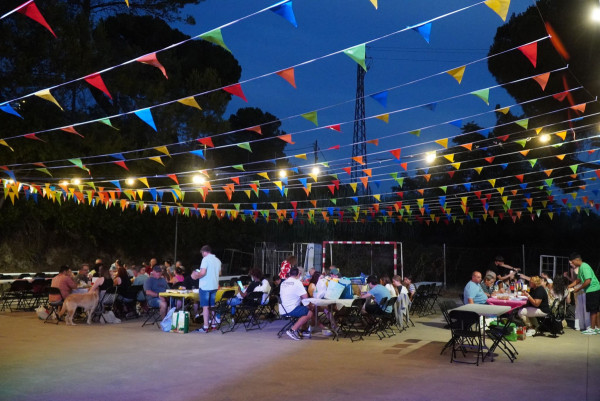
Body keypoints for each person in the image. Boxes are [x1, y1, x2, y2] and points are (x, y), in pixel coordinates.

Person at [567, 253, 600, 335]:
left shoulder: (584, 266)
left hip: (592, 289)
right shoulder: (581, 267)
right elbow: (578, 280)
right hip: (592, 289)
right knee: (595, 309)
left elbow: (588, 280)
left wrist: (578, 289)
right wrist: (569, 286)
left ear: (576, 260)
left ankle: (592, 329)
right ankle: (598, 328)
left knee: (593, 310)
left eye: (572, 262)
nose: (572, 264)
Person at [191, 245, 221, 333]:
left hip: (205, 286)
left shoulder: (205, 259)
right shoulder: (217, 260)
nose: (202, 255)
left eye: (202, 253)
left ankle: (205, 326)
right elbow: (219, 273)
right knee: (212, 306)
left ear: (204, 252)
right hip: (214, 286)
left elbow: (203, 273)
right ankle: (214, 324)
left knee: (205, 307)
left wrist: (196, 275)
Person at [279, 266, 313, 340]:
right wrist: (310, 305)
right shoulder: (297, 282)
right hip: (291, 309)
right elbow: (305, 297)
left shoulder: (284, 282)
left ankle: (303, 329)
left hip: (282, 308)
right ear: (299, 274)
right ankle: (292, 330)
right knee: (309, 312)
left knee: (304, 309)